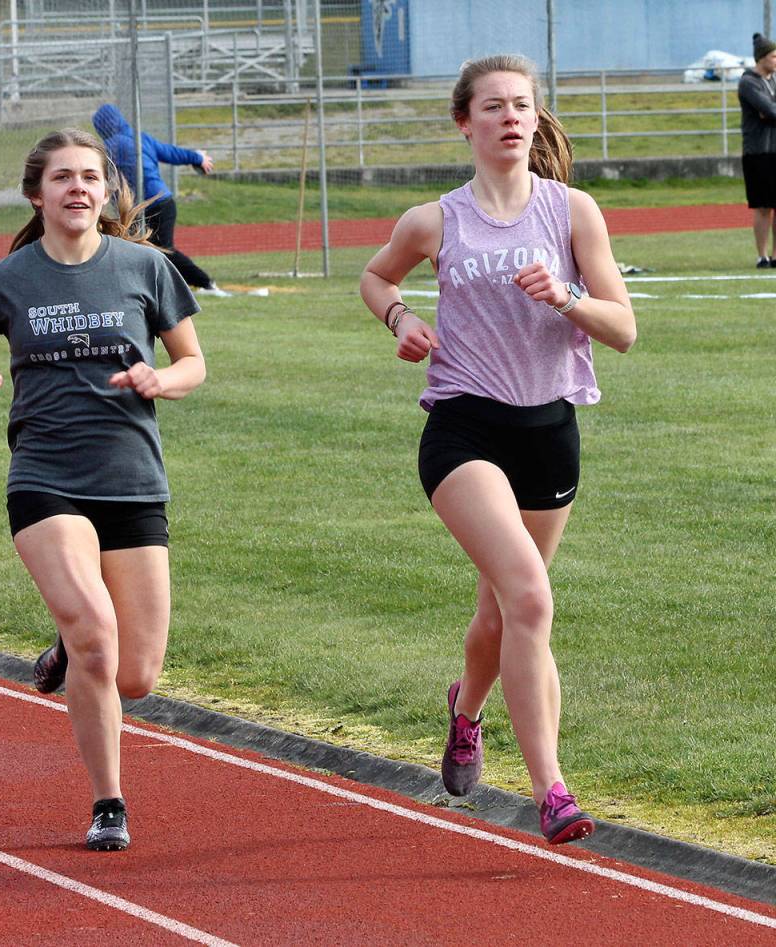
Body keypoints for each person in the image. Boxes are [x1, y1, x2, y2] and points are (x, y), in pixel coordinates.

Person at [360, 54, 636, 845]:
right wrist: (401, 319)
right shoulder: (435, 220)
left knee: (500, 610)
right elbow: (376, 278)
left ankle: (466, 709)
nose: (511, 117)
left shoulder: (573, 211)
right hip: (464, 429)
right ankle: (551, 788)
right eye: (494, 107)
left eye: (522, 105)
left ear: (535, 116)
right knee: (530, 597)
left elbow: (624, 330)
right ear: (466, 123)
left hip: (548, 431)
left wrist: (570, 296)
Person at [0, 128, 206, 852]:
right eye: (63, 178)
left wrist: (159, 379)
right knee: (96, 634)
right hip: (46, 479)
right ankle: (109, 800)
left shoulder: (146, 267)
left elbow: (193, 363)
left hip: (133, 481)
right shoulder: (2, 281)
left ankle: (69, 642)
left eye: (90, 177)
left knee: (136, 674)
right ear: (36, 194)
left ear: (108, 192)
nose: (78, 188)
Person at [92, 103, 229, 296]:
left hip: (148, 205)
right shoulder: (140, 137)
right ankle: (157, 287)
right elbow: (170, 152)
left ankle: (205, 282)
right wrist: (196, 158)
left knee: (160, 249)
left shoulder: (111, 146)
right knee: (147, 248)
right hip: (162, 201)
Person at [737, 33, 776, 268]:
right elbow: (768, 111)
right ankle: (762, 255)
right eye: (773, 56)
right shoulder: (748, 82)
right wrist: (769, 111)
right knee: (763, 206)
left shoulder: (773, 80)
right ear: (761, 58)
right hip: (758, 152)